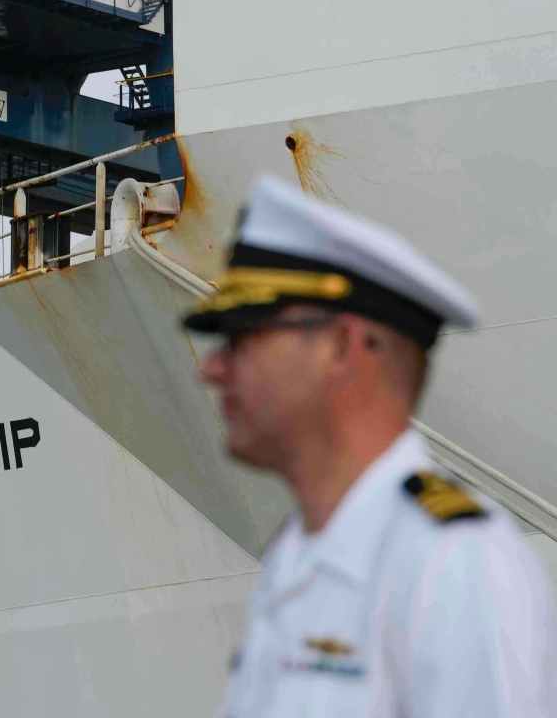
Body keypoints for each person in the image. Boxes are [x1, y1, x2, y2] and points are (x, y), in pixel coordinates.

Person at [185, 175, 557, 716]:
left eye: (244, 335)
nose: (213, 368)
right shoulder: (297, 556)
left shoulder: (454, 565)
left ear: (341, 346)